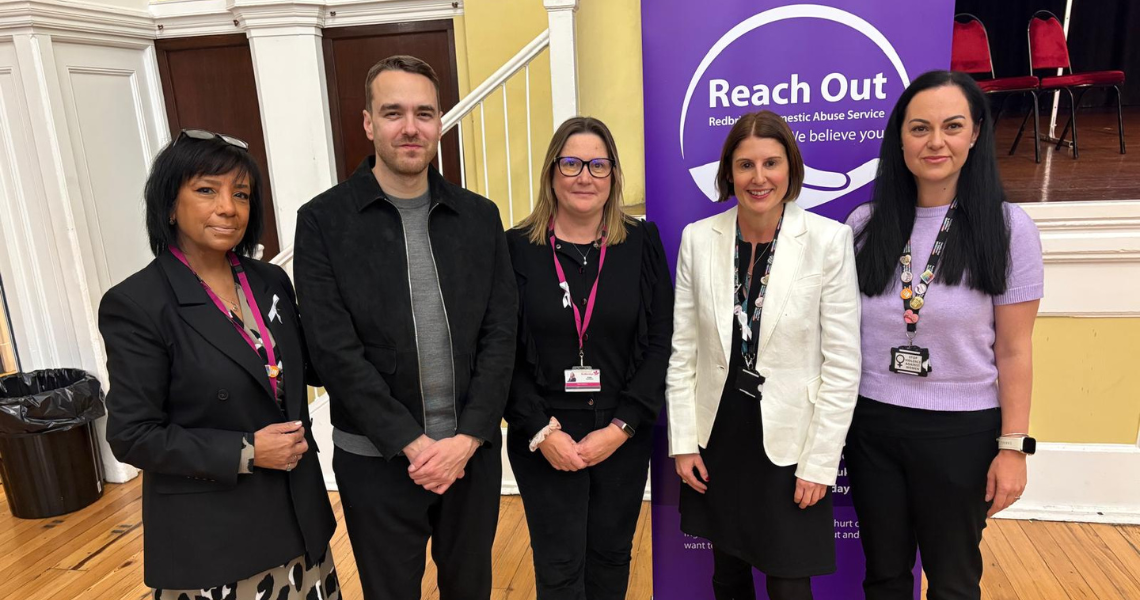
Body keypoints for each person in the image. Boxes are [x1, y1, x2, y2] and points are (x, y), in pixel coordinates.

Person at [293, 55, 516, 600]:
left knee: (471, 589)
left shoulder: (479, 217)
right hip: (376, 461)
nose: (410, 127)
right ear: (369, 123)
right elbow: (333, 351)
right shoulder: (324, 221)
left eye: (424, 112)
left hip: (470, 457)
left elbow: (501, 333)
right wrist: (413, 445)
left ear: (440, 121)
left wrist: (465, 440)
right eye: (393, 112)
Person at [100, 129, 338, 599]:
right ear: (170, 205)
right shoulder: (137, 303)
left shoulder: (269, 280)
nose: (228, 207)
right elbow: (131, 434)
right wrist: (246, 450)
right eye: (207, 190)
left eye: (241, 194)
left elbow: (303, 368)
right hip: (216, 536)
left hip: (298, 519)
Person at [844, 70, 1043, 600]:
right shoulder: (864, 225)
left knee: (953, 581)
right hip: (873, 425)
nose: (936, 142)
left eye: (952, 126)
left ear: (975, 133)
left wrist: (1013, 448)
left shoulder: (1008, 228)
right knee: (883, 575)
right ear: (899, 139)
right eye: (919, 128)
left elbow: (1015, 348)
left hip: (962, 433)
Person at [666, 110, 861, 600]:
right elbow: (683, 351)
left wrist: (820, 463)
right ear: (728, 173)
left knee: (789, 581)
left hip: (791, 441)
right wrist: (684, 440)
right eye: (745, 165)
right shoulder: (698, 239)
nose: (759, 178)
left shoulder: (827, 241)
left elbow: (842, 363)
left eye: (771, 163)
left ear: (791, 170)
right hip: (721, 430)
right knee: (727, 573)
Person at [505, 117, 674, 599]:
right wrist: (542, 430)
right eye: (572, 163)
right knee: (558, 567)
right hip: (544, 434)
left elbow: (661, 339)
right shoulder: (515, 248)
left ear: (614, 176)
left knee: (611, 559)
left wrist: (621, 427)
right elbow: (500, 350)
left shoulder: (642, 243)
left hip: (620, 432)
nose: (585, 177)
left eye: (599, 165)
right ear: (552, 173)